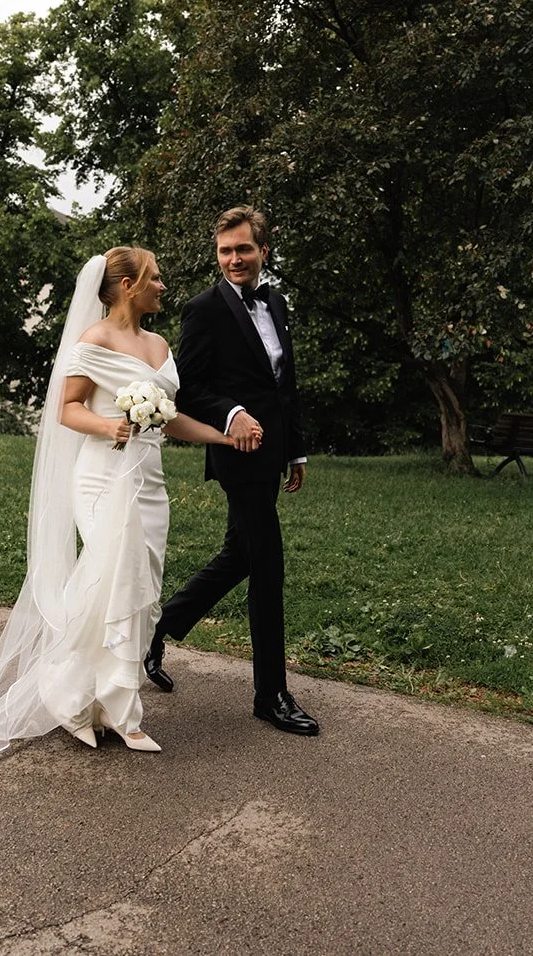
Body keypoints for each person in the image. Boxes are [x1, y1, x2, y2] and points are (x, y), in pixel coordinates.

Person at [0, 247, 239, 761]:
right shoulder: (94, 340)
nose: (163, 286)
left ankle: (100, 704)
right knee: (110, 584)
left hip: (149, 480)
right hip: (102, 476)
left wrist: (222, 437)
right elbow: (67, 409)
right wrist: (110, 426)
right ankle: (96, 707)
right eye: (155, 278)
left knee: (141, 590)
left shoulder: (160, 344)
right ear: (127, 285)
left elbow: (172, 417)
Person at [147, 206, 320, 736]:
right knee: (267, 566)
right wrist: (232, 413)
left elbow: (284, 382)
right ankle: (271, 695)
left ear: (263, 251)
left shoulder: (276, 301)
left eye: (244, 249)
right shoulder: (203, 310)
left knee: (239, 555)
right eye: (225, 251)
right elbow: (188, 389)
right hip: (236, 455)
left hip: (273, 453)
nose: (234, 259)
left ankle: (155, 630)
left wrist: (295, 450)